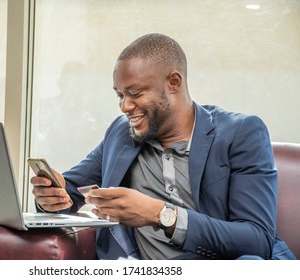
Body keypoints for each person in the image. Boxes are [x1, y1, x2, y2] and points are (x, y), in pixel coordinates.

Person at [31, 33, 296, 260]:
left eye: (135, 93)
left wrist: (160, 214)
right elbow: (70, 193)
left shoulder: (241, 133)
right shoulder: (121, 134)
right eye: (120, 95)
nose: (124, 106)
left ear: (174, 82)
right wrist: (50, 197)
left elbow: (256, 238)